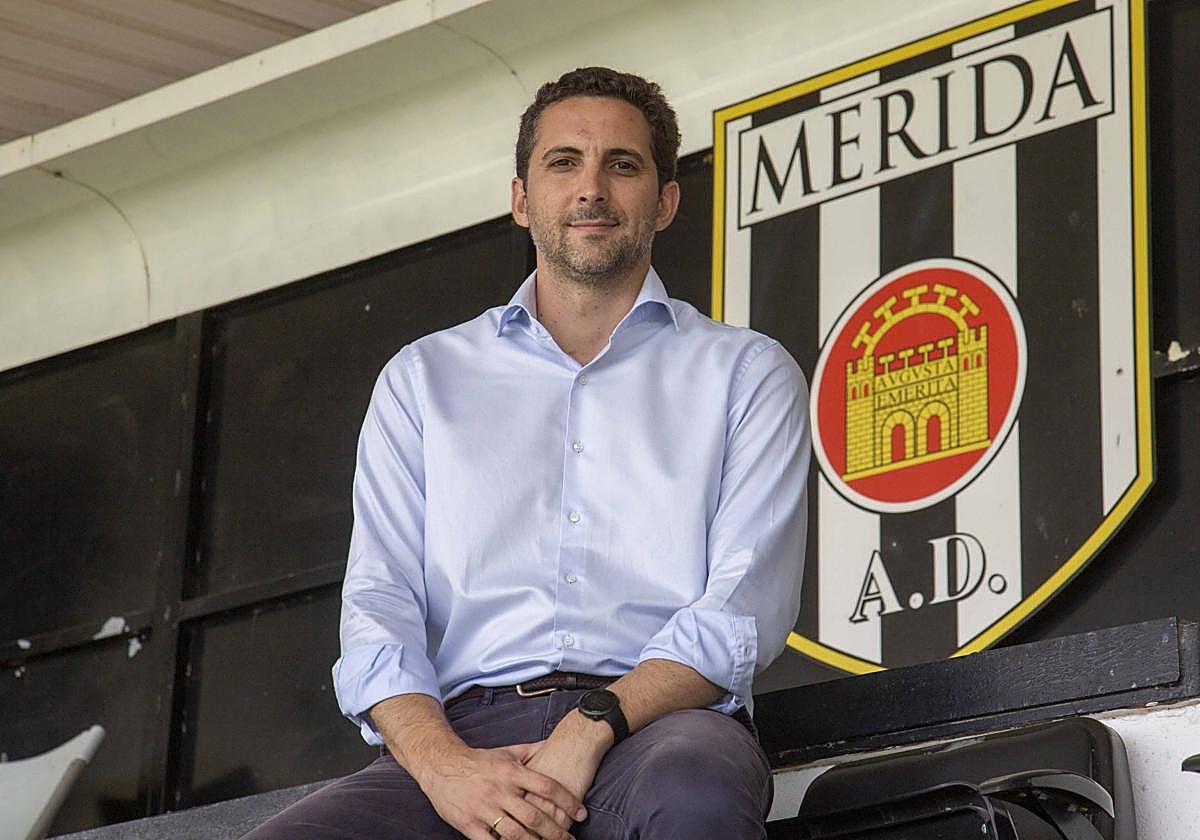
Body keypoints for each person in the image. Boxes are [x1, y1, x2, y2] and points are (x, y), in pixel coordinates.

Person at [245, 66, 810, 840]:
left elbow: (741, 610)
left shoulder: (745, 373)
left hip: (659, 731)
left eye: (623, 164)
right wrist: (443, 766)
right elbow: (380, 604)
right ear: (521, 198)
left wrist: (591, 726)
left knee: (696, 792)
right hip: (457, 742)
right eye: (563, 162)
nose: (592, 190)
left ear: (667, 201)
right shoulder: (424, 379)